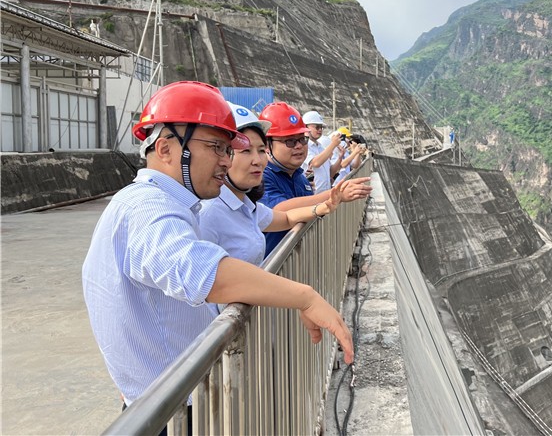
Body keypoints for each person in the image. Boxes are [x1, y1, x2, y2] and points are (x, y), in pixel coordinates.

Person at [82, 82, 354, 412]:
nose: (226, 161)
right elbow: (203, 272)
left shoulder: (170, 203)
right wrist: (304, 297)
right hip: (171, 410)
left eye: (229, 150)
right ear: (166, 149)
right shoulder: (148, 208)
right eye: (217, 147)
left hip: (177, 397)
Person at [198, 102, 344, 269]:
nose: (258, 160)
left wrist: (323, 207)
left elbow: (286, 218)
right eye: (246, 151)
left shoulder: (246, 206)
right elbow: (211, 280)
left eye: (261, 150)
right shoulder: (208, 214)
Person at [258, 102, 371, 257]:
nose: (299, 146)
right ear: (267, 145)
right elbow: (277, 211)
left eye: (302, 139)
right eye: (290, 141)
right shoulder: (261, 176)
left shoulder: (300, 177)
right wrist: (335, 194)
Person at [302, 110, 341, 193]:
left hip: (324, 194)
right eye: (317, 127)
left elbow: (330, 173)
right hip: (312, 195)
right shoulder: (304, 145)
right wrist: (333, 144)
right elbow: (315, 163)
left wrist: (340, 158)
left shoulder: (321, 147)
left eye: (321, 127)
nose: (320, 130)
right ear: (306, 127)